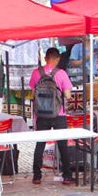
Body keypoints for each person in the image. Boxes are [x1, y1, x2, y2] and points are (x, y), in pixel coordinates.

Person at [29, 47, 77, 186]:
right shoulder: (61, 73)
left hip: (41, 114)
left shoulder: (36, 72)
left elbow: (32, 94)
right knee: (63, 144)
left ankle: (37, 176)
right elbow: (67, 95)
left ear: (46, 58)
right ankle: (67, 176)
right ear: (57, 59)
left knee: (40, 144)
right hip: (59, 113)